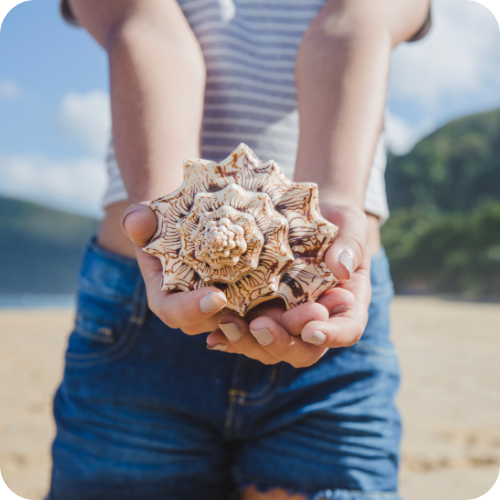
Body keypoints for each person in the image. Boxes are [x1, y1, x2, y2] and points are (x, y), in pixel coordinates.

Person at [48, 1, 431, 499]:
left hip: (328, 304)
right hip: (141, 304)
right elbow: (142, 24)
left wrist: (325, 217)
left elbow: (356, 23)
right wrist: (173, 224)